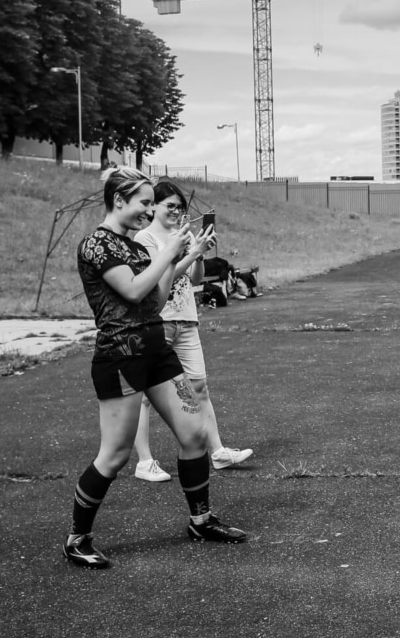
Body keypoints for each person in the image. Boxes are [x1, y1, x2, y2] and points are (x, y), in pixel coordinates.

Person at [66, 167, 246, 570]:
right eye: (144, 203)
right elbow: (131, 290)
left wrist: (183, 257)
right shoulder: (96, 245)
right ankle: (77, 538)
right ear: (119, 201)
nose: (149, 211)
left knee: (195, 433)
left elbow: (155, 299)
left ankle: (201, 520)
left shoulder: (133, 247)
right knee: (115, 454)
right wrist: (167, 253)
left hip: (156, 350)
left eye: (152, 203)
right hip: (120, 356)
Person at [131, 180, 254, 482]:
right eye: (170, 206)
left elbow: (195, 278)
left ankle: (218, 452)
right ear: (154, 206)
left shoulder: (181, 235)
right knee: (145, 396)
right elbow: (160, 278)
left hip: (186, 320)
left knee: (200, 387)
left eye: (180, 207)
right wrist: (189, 251)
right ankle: (144, 461)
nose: (176, 211)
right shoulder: (144, 238)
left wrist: (198, 253)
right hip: (158, 321)